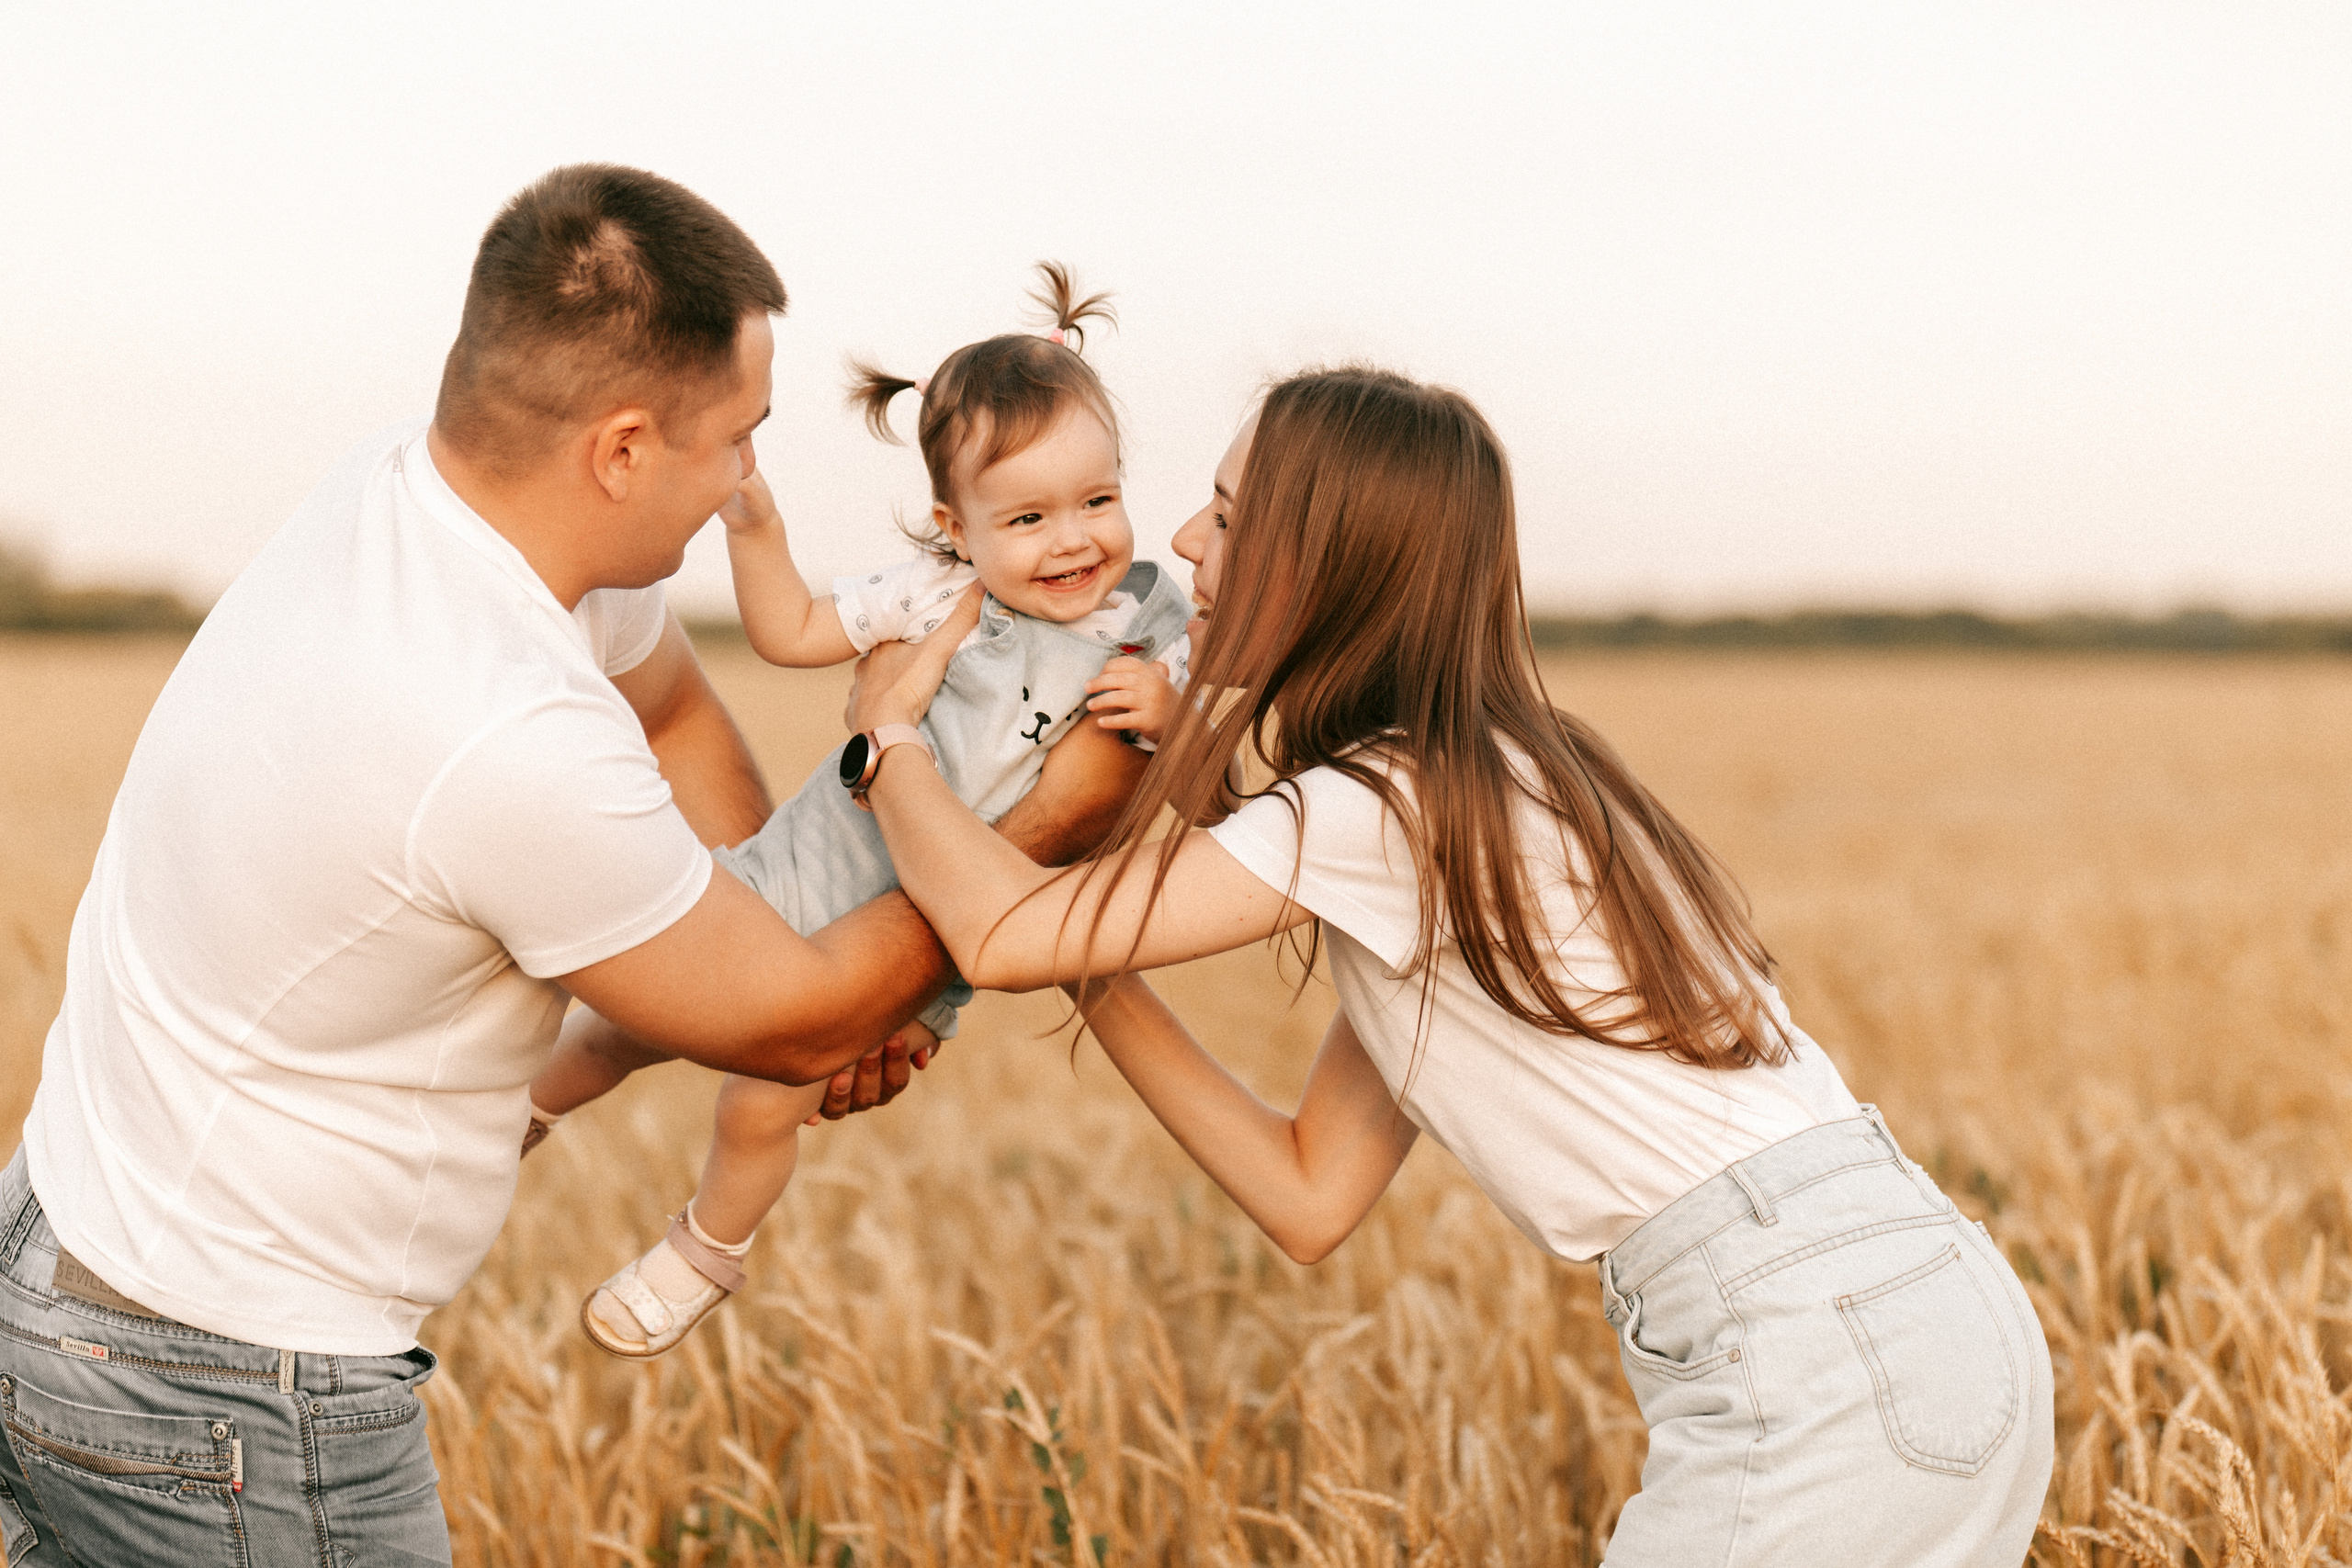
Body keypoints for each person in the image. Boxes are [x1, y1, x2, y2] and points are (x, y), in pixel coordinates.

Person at [0, 164, 1137, 1567]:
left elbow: (669, 711)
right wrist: (1041, 833)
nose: (742, 482)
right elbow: (791, 1014)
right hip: (223, 1388)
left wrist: (795, 917)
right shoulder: (498, 725)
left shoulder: (417, 496)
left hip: (64, 1254)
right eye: (737, 440)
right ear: (621, 449)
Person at [845, 367, 2057, 1564]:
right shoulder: (1495, 777)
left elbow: (1004, 936)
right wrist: (1097, 949)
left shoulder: (1383, 801)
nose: (1181, 539)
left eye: (1228, 512)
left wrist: (885, 736)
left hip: (1810, 1349)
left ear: (1324, 566)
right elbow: (1308, 1191)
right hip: (1932, 1307)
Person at [529, 262, 1190, 1359]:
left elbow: (1210, 753)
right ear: (956, 525)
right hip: (789, 874)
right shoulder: (929, 593)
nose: (1073, 540)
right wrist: (751, 528)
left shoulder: (1146, 626)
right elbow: (790, 631)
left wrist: (1170, 707)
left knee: (758, 1102)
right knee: (618, 1025)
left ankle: (705, 1251)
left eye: (1098, 501)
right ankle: (510, 1119)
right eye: (1026, 516)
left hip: (906, 937)